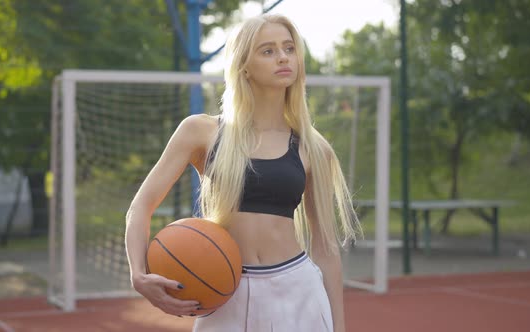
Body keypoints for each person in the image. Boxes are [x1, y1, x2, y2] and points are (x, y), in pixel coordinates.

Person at [125, 13, 360, 332]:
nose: (282, 57)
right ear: (244, 65)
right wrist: (138, 273)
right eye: (268, 50)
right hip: (225, 293)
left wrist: (339, 328)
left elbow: (326, 249)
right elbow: (141, 207)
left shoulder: (313, 148)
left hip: (298, 290)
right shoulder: (200, 131)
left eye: (289, 48)